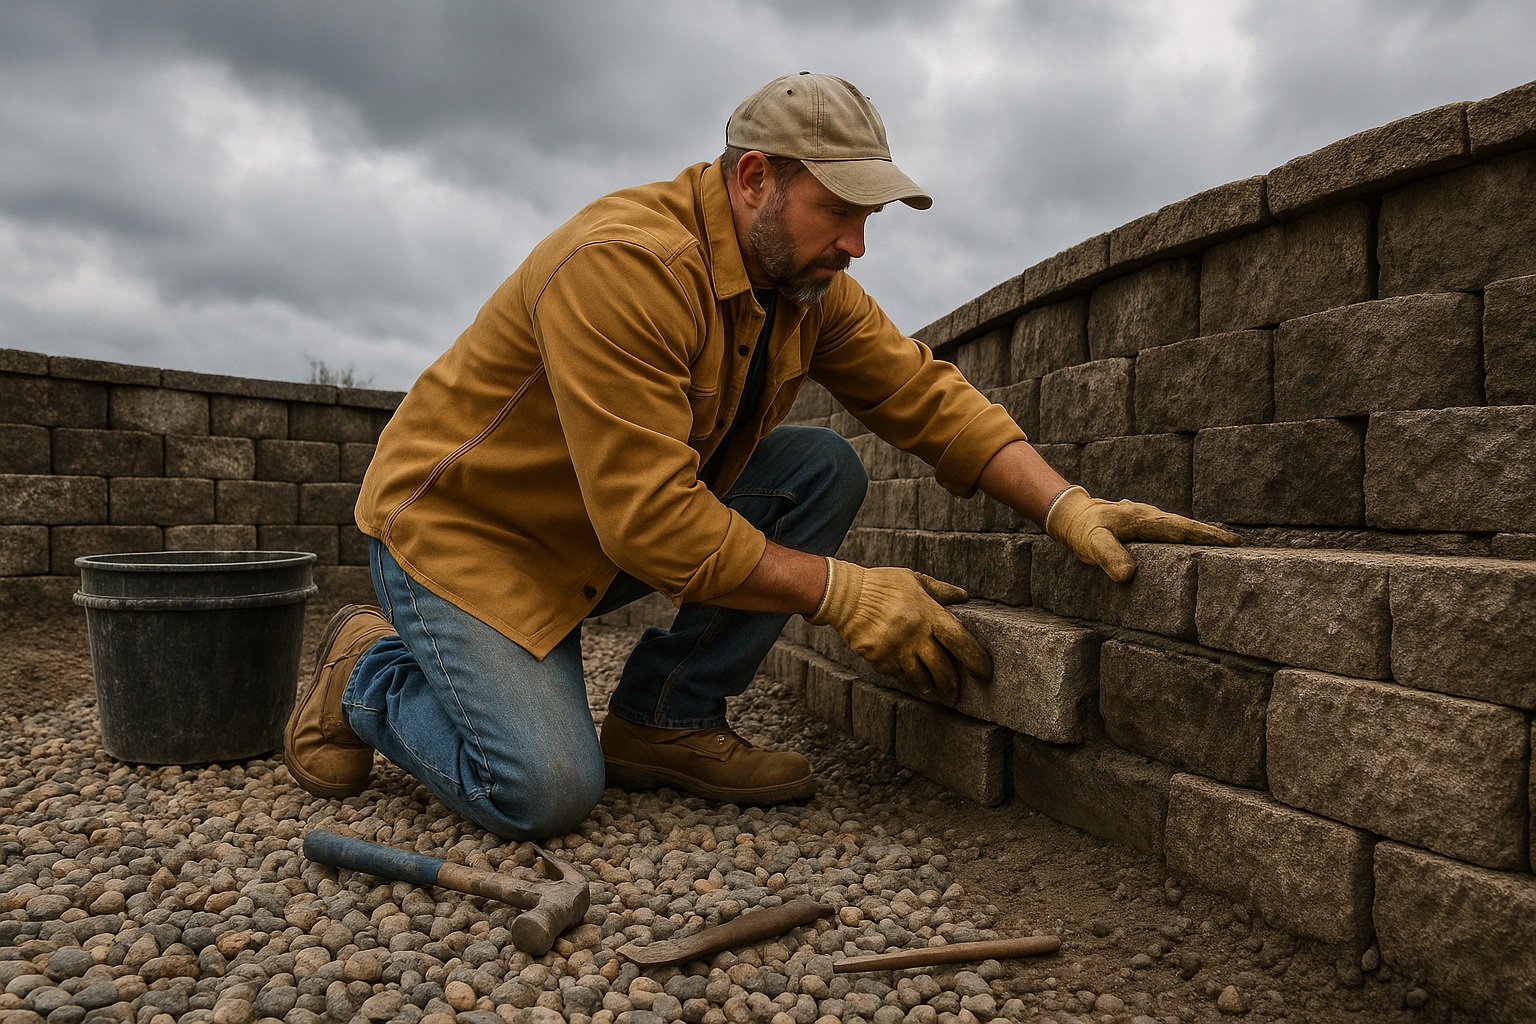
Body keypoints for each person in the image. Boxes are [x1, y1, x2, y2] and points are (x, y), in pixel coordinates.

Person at [283, 72, 1238, 840]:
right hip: (464, 544)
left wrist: (1067, 504)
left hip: (593, 535)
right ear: (755, 180)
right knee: (544, 793)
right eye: (840, 211)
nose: (859, 245)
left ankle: (666, 718)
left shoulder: (801, 283)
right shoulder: (626, 265)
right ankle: (367, 669)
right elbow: (652, 521)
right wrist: (842, 592)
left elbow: (923, 395)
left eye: (870, 218)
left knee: (820, 467)